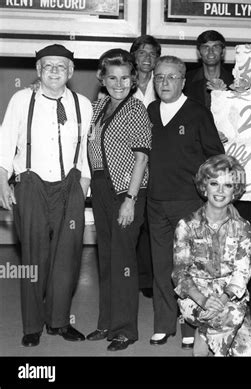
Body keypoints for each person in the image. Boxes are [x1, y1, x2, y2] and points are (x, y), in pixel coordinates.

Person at [0, 44, 92, 347]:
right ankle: (32, 325)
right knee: (34, 256)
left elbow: (86, 153)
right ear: (38, 70)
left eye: (61, 66)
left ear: (71, 71)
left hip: (70, 186)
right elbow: (4, 143)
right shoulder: (21, 100)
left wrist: (83, 186)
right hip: (31, 184)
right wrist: (3, 181)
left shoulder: (83, 104)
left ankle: (59, 321)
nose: (55, 71)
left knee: (68, 258)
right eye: (48, 65)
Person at [147, 56, 225, 349]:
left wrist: (211, 198)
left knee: (190, 268)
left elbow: (216, 157)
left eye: (171, 77)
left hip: (188, 203)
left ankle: (190, 325)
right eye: (159, 77)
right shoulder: (149, 111)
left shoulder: (198, 113)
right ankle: (162, 324)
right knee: (161, 265)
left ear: (182, 81)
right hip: (155, 202)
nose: (164, 83)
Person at [86, 48, 152, 351]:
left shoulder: (136, 108)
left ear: (134, 79)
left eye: (125, 78)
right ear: (102, 78)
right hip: (100, 187)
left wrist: (130, 198)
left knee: (124, 261)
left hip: (127, 190)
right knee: (107, 259)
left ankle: (125, 329)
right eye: (112, 77)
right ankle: (106, 322)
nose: (119, 83)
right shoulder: (99, 106)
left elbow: (141, 159)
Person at [172, 154, 251, 356]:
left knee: (250, 353)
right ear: (205, 187)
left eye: (228, 185)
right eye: (214, 183)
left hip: (230, 296)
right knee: (227, 318)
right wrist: (203, 301)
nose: (220, 191)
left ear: (235, 191)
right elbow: (179, 274)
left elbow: (242, 271)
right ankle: (206, 335)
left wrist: (222, 298)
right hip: (195, 297)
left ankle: (203, 337)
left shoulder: (243, 227)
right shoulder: (186, 225)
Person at [130, 34, 162, 299]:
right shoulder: (122, 84)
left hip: (156, 160)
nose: (147, 58)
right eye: (142, 53)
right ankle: (134, 275)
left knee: (152, 223)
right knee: (133, 223)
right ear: (134, 56)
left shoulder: (162, 84)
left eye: (152, 54)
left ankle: (152, 278)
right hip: (126, 161)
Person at [184, 30, 233, 109]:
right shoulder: (186, 81)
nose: (211, 52)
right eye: (205, 47)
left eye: (215, 47)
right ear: (198, 52)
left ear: (223, 52)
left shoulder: (234, 82)